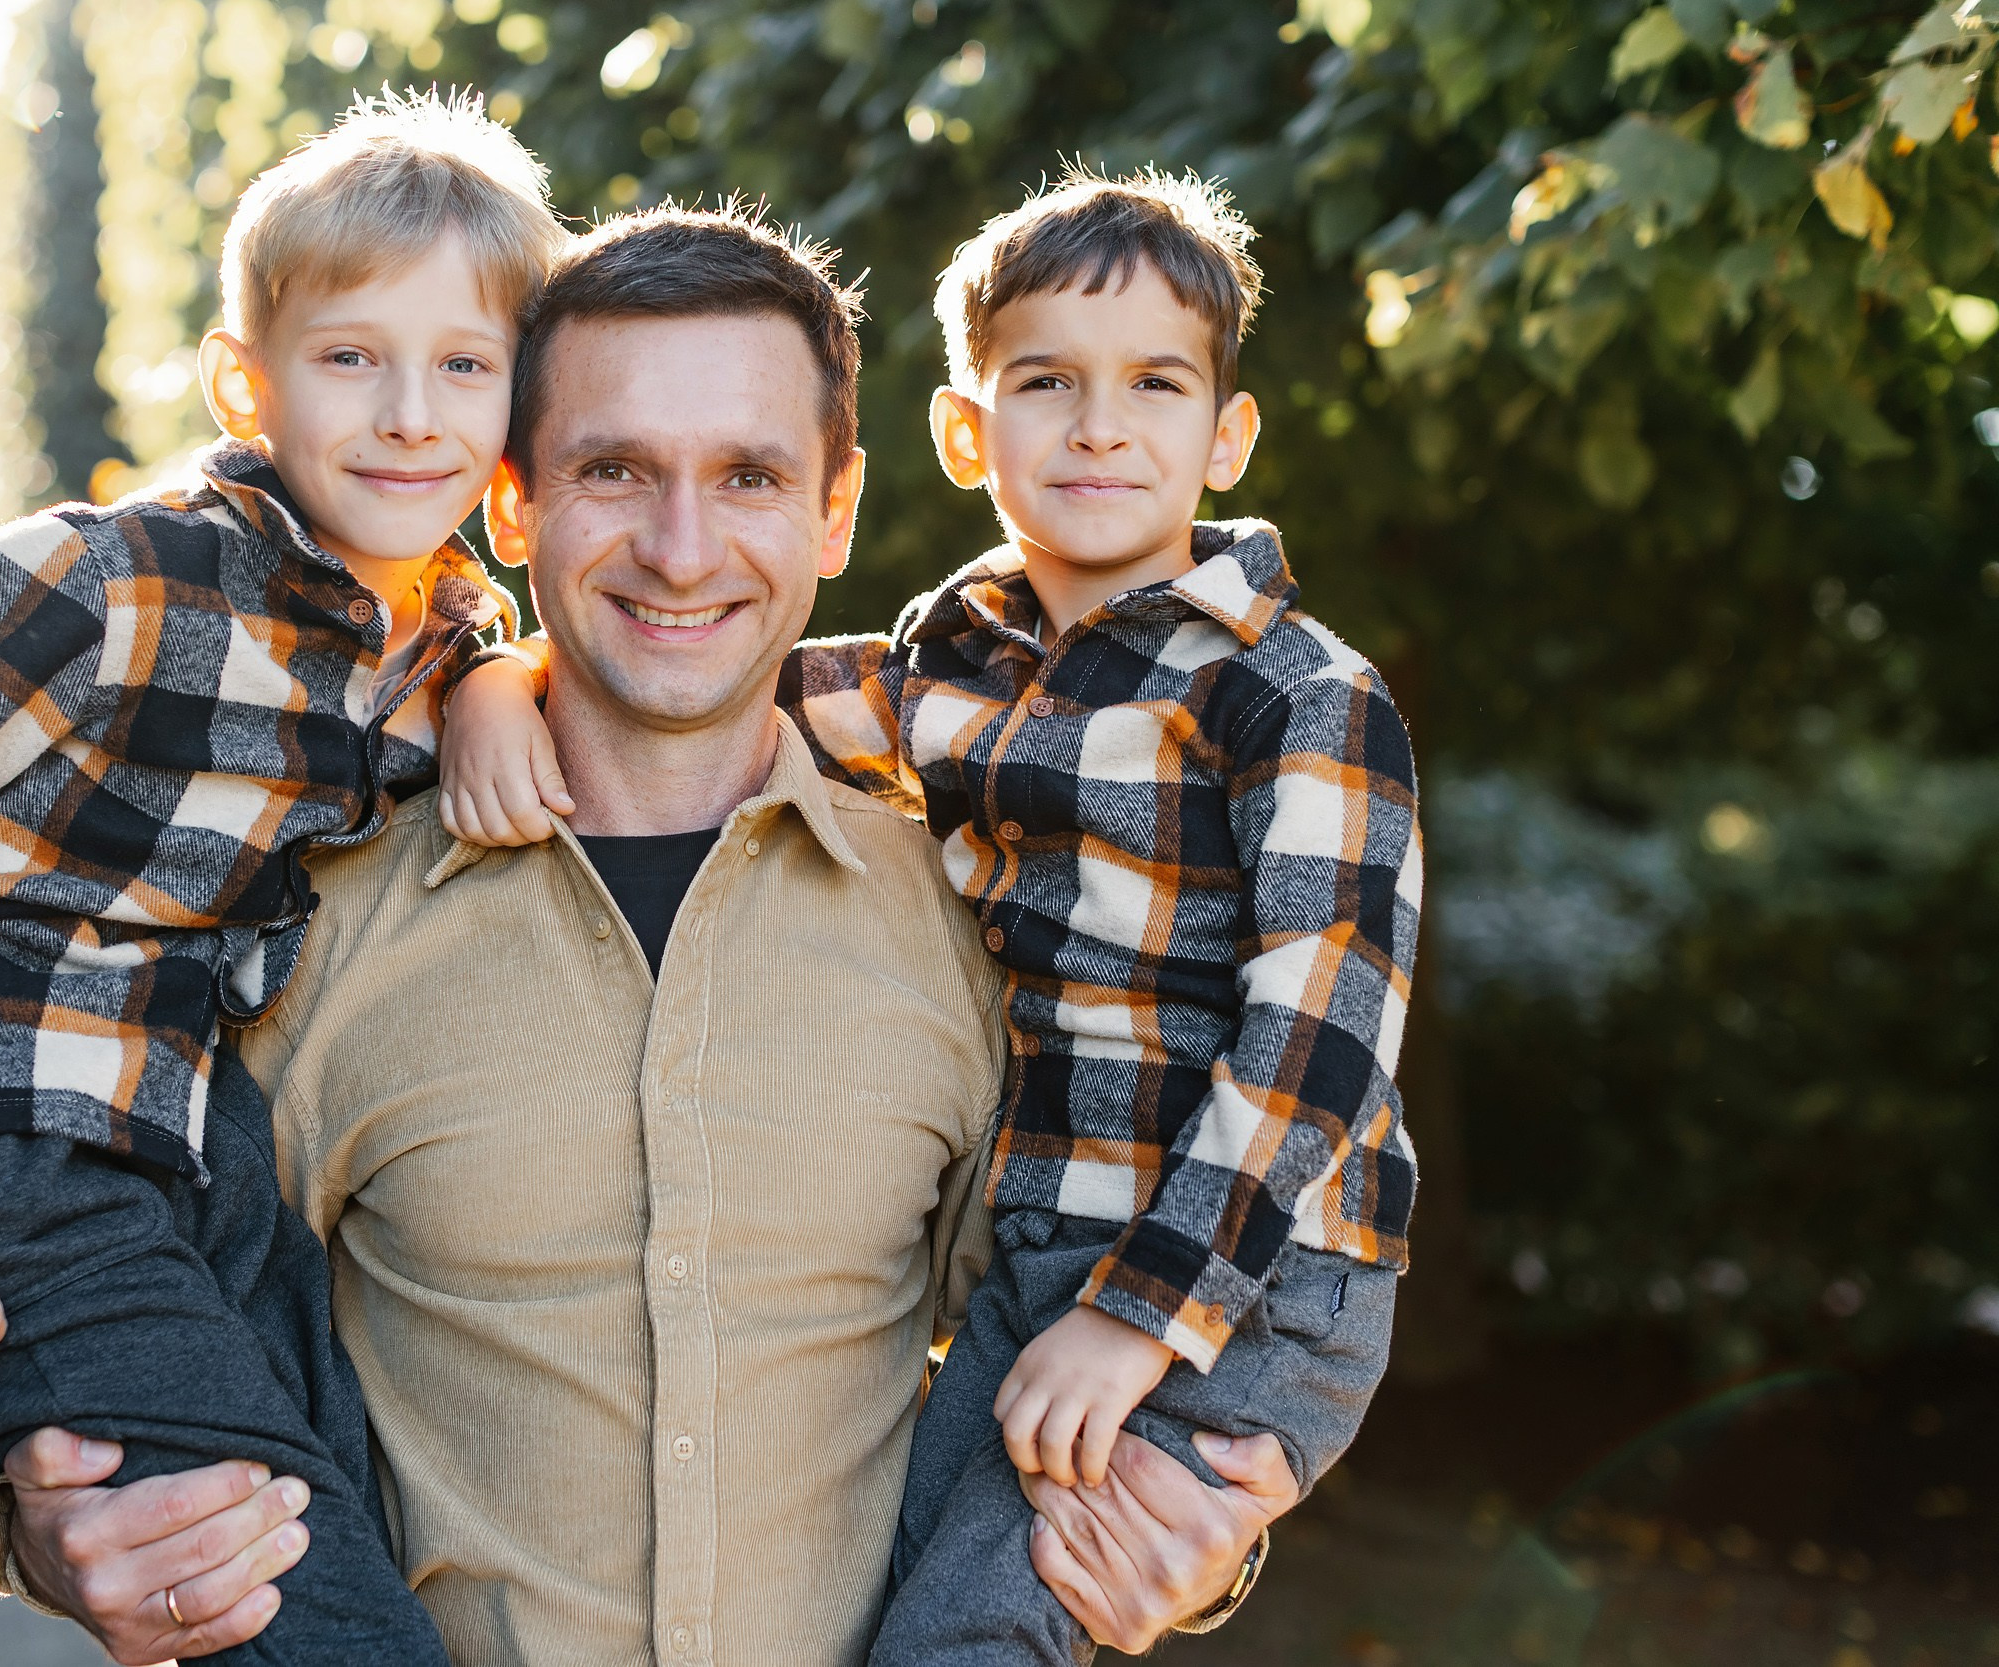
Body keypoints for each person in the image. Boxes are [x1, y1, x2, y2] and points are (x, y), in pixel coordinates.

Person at [0, 203, 1301, 1667]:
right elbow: (151, 1309)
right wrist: (54, 1524)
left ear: (836, 512)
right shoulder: (305, 917)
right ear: (513, 504)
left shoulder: (980, 921)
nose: (683, 550)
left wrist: (1189, 1537)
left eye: (749, 475)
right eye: (614, 470)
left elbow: (1078, 1331)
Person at [443, 171, 1423, 1663]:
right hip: (1054, 1250)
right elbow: (709, 664)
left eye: (1155, 384)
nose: (1099, 427)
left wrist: (1149, 1315)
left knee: (968, 1634)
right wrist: (491, 675)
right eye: (1047, 383)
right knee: (888, 1583)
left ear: (1226, 438)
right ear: (967, 434)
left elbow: (1320, 1047)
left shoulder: (1294, 692)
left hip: (1243, 1270)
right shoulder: (955, 672)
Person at [0, 92, 568, 1663]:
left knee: (363, 1514)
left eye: (466, 366)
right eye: (351, 356)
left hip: (201, 1164)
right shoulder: (99, 590)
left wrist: (493, 675)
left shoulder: (416, 646)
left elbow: (457, 640)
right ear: (247, 379)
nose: (413, 412)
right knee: (298, 1599)